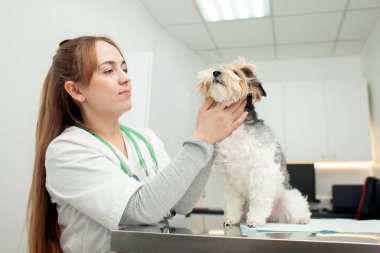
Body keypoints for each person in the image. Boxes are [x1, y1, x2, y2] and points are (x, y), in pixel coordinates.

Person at [27, 36, 248, 253]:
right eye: (108, 70)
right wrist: (202, 139)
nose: (125, 78)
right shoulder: (67, 150)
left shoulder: (145, 139)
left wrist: (212, 142)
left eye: (124, 68)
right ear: (75, 90)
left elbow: (182, 203)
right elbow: (140, 210)